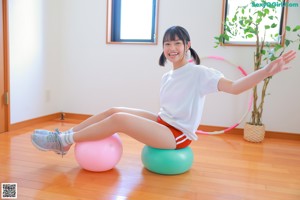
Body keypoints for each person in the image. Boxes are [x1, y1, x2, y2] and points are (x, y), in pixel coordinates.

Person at [31, 26, 297, 156]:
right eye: (167, 44)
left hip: (179, 136)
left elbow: (236, 88)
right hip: (163, 123)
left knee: (120, 120)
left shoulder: (199, 72)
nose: (172, 48)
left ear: (187, 45)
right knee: (115, 110)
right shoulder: (169, 74)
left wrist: (266, 71)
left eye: (177, 43)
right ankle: (64, 138)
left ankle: (63, 142)